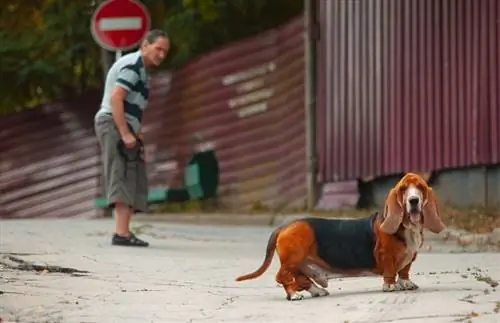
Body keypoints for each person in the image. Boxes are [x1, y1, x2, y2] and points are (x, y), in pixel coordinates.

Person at [94, 29, 169, 247]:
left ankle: (124, 231)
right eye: (158, 49)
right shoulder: (133, 66)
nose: (161, 55)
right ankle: (121, 233)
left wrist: (136, 137)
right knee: (121, 172)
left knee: (132, 173)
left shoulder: (143, 70)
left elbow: (132, 109)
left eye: (165, 51)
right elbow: (117, 98)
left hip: (124, 126)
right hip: (113, 123)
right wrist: (125, 133)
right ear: (145, 45)